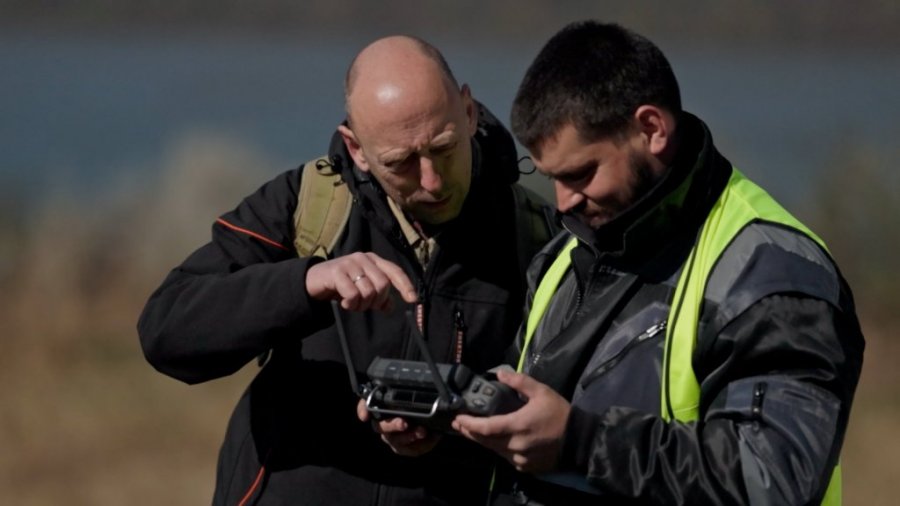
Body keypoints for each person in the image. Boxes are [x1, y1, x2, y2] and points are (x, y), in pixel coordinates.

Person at [452, 21, 865, 505]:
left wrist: (581, 443)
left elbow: (773, 478)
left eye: (581, 173)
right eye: (551, 178)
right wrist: (453, 418)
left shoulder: (773, 275)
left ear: (651, 129)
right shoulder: (566, 251)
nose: (563, 202)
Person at [138, 35, 556, 505]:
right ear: (356, 148)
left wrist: (454, 427)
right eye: (400, 162)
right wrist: (305, 284)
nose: (432, 180)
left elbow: (555, 413)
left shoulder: (535, 236)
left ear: (469, 111)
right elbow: (166, 332)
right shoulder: (308, 204)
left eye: (444, 146)